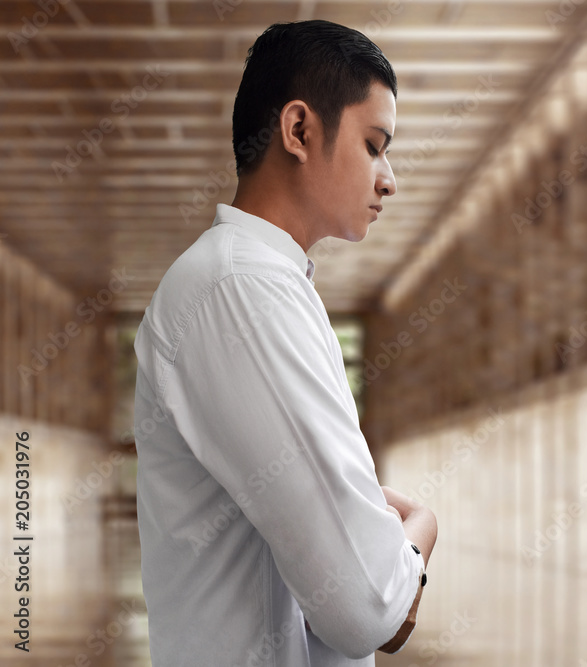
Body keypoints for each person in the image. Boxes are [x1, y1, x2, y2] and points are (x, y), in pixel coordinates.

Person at [133, 20, 437, 666]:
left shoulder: (265, 284)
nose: (389, 179)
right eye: (374, 145)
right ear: (299, 130)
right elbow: (365, 606)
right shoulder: (239, 292)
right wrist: (419, 535)